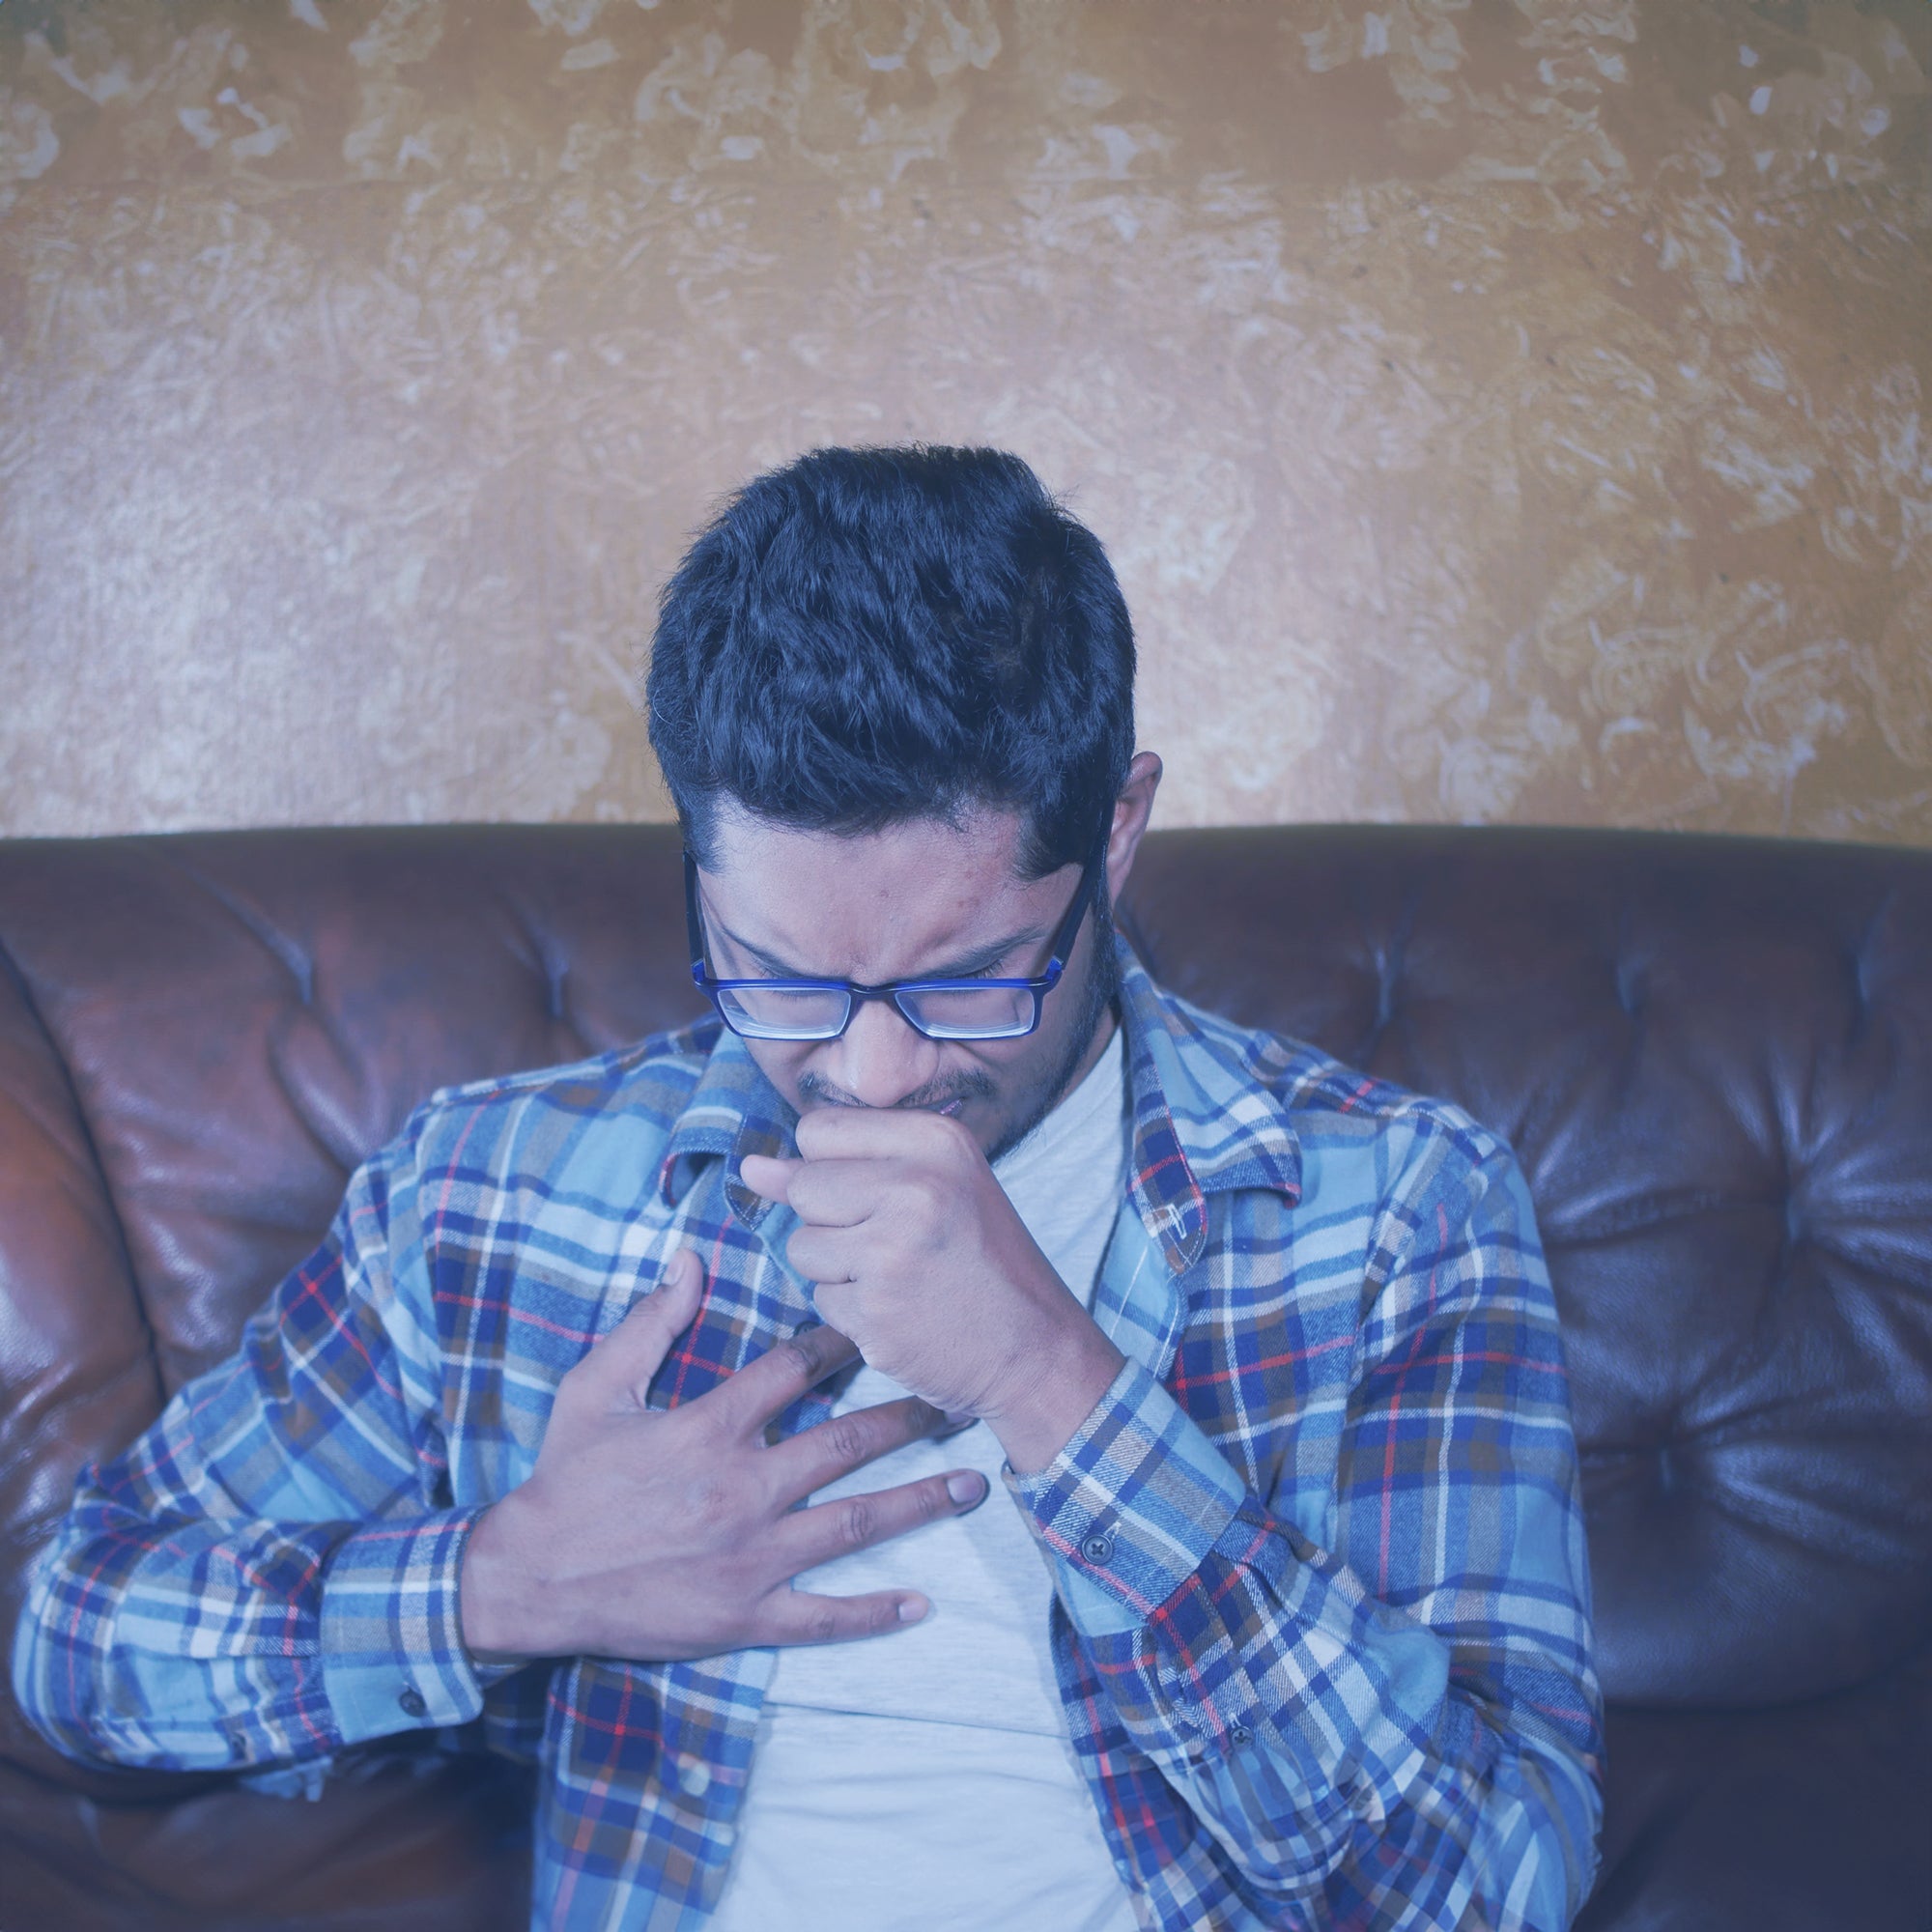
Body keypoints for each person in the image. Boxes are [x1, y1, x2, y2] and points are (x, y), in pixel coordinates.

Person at [13, 445, 1603, 1931]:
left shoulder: (1393, 1213)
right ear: (699, 867)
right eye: (778, 977)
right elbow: (82, 1639)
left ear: (1116, 836)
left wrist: (1055, 1387)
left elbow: (1495, 1888)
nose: (875, 1075)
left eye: (972, 981)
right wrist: (508, 1582)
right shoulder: (492, 1193)